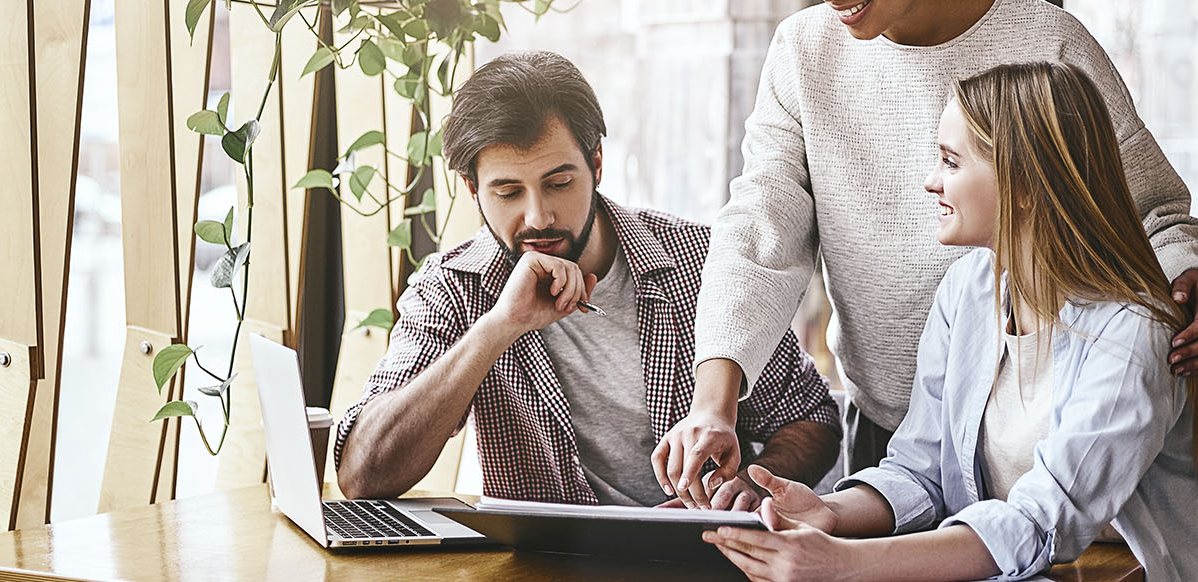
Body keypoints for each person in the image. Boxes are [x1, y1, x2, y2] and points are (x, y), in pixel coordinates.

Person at [654, 0, 1198, 508]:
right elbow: (759, 229)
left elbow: (1151, 208)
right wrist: (713, 403)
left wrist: (1183, 269)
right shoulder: (802, 53)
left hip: (1042, 439)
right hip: (899, 444)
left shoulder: (1048, 45)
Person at [703, 61, 1198, 582]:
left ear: (1026, 183)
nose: (931, 182)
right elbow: (919, 471)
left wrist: (841, 564)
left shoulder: (1134, 329)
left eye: (951, 162)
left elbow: (1039, 523)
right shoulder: (968, 290)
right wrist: (830, 514)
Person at [334, 50, 842, 508]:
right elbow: (362, 474)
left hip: (697, 558)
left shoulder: (704, 261)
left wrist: (753, 486)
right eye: (508, 192)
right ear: (472, 189)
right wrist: (497, 328)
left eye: (559, 183)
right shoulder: (453, 288)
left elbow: (811, 417)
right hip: (544, 569)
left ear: (596, 163)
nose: (538, 216)